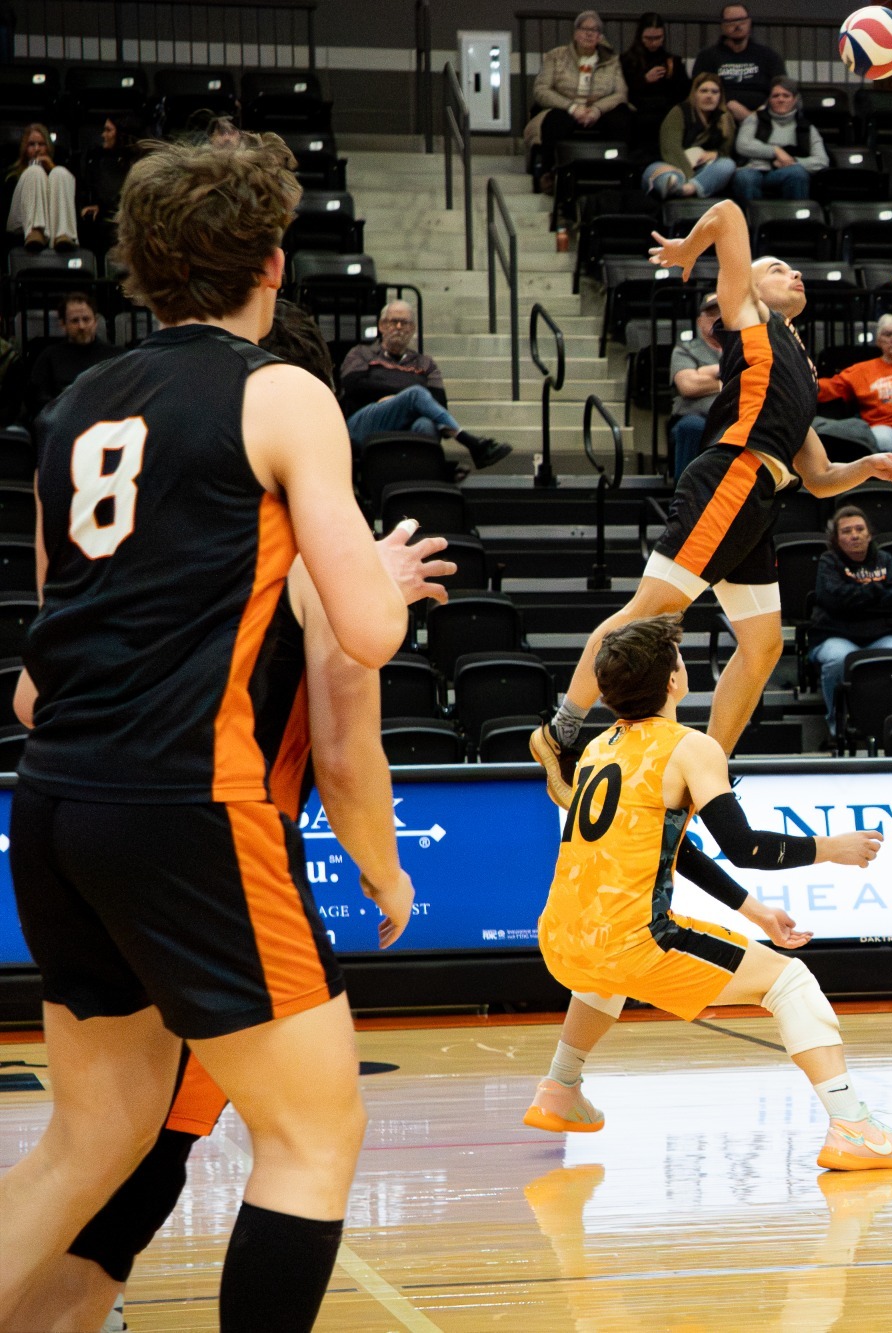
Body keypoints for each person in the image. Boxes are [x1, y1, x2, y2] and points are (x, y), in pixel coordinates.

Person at [0, 132, 425, 1333]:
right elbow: (369, 630)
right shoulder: (280, 391)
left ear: (136, 266)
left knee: (90, 1140)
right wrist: (379, 570)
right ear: (274, 264)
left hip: (56, 799)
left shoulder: (76, 404)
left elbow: (40, 672)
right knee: (312, 1133)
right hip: (194, 800)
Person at [531, 198, 892, 803]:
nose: (794, 274)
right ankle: (560, 732)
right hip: (730, 478)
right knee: (650, 614)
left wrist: (868, 466)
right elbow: (728, 214)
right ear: (751, 288)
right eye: (777, 268)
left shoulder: (798, 361)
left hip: (762, 500)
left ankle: (708, 769)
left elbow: (818, 477)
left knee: (764, 644)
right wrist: (693, 247)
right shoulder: (750, 316)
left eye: (795, 270)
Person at [525, 615, 892, 1171]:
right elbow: (742, 846)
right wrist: (830, 847)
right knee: (790, 982)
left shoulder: (601, 746)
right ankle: (854, 1126)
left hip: (562, 937)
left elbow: (679, 852)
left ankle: (559, 1088)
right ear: (674, 681)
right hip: (633, 941)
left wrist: (756, 911)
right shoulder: (690, 748)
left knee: (605, 971)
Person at [338, 300, 512, 470]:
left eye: (404, 323)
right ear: (382, 326)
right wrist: (403, 399)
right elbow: (354, 386)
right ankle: (469, 442)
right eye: (393, 322)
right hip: (365, 421)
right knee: (416, 394)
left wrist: (401, 400)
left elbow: (439, 403)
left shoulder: (425, 364)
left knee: (426, 424)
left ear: (412, 329)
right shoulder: (361, 353)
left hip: (410, 421)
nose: (398, 327)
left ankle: (428, 478)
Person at [810, 507, 892, 734]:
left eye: (859, 529)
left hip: (881, 636)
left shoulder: (885, 559)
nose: (854, 535)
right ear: (836, 538)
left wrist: (855, 596)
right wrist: (876, 592)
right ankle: (837, 724)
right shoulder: (829, 562)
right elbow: (833, 599)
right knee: (839, 659)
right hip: (835, 635)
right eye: (846, 531)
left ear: (869, 534)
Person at [528, 10, 634, 192]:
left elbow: (621, 93)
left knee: (623, 119)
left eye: (594, 30)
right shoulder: (556, 56)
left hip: (598, 110)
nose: (589, 33)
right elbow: (541, 90)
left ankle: (620, 174)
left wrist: (597, 110)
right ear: (575, 33)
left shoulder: (612, 61)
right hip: (565, 108)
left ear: (600, 36)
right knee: (554, 122)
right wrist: (572, 107)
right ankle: (549, 176)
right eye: (585, 29)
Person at [815, 314, 892, 453]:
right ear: (878, 340)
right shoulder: (861, 370)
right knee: (882, 441)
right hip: (882, 427)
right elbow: (829, 388)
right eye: (888, 335)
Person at [731, 76, 827, 202]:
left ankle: (794, 219)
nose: (780, 99)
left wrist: (792, 161)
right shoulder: (755, 119)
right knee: (743, 177)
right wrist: (775, 151)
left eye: (786, 96)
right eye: (775, 96)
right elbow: (742, 145)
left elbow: (821, 161)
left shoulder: (806, 127)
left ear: (795, 99)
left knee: (797, 173)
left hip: (785, 172)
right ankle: (751, 220)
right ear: (769, 100)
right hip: (754, 170)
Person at [644, 72, 737, 200]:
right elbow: (671, 150)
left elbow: (726, 152)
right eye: (704, 91)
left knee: (727, 165)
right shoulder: (679, 112)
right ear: (695, 94)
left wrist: (716, 154)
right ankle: (676, 185)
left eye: (714, 92)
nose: (709, 96)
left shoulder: (725, 118)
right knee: (663, 175)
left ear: (720, 96)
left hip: (703, 171)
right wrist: (688, 176)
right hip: (672, 165)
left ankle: (685, 190)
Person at [27, 292, 119, 418]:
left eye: (86, 319)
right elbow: (37, 403)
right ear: (63, 324)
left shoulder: (116, 356)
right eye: (75, 321)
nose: (81, 326)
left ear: (95, 322)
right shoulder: (49, 357)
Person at [694, 3, 788, 124]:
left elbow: (783, 87)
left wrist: (760, 112)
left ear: (749, 22)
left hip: (764, 118)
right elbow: (699, 89)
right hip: (720, 116)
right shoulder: (707, 56)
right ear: (722, 25)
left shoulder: (768, 55)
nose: (737, 25)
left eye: (741, 20)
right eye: (731, 21)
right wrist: (728, 104)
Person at [669, 290, 726, 476]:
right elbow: (689, 386)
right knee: (692, 427)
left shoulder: (742, 347)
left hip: (736, 415)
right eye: (711, 314)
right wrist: (727, 379)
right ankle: (684, 498)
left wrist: (705, 372)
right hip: (696, 416)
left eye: (722, 312)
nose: (717, 318)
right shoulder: (685, 349)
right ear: (699, 321)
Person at [621, 11, 690, 160]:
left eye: (658, 38)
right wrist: (644, 79)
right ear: (640, 36)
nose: (653, 42)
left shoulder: (673, 61)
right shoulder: (627, 60)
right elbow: (624, 91)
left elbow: (683, 92)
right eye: (648, 38)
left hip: (665, 109)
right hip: (638, 110)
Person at [6, 123, 78, 252]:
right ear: (25, 148)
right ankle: (35, 231)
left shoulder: (56, 171)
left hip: (53, 225)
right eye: (31, 144)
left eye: (41, 144)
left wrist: (52, 168)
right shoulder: (12, 176)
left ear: (48, 147)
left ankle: (63, 234)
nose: (37, 149)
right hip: (20, 224)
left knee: (60, 172)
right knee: (34, 171)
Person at [77, 116, 142, 256]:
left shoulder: (135, 163)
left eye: (108, 130)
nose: (103, 135)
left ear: (120, 134)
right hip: (106, 216)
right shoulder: (97, 160)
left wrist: (103, 207)